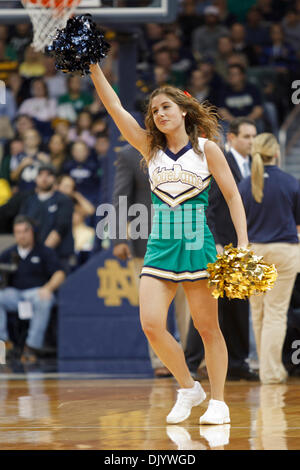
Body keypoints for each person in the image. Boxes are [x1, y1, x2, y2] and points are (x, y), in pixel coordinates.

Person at [89, 61, 249, 425]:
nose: (159, 113)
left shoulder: (208, 149)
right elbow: (114, 107)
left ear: (183, 110)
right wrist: (95, 68)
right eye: (154, 110)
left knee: (208, 329)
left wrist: (242, 241)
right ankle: (189, 387)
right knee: (151, 325)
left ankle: (219, 402)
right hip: (159, 245)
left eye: (165, 107)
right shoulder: (149, 148)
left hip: (198, 244)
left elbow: (234, 197)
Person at [185, 117, 258, 381]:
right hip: (221, 243)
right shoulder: (219, 161)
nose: (251, 141)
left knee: (238, 302)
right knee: (210, 304)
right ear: (232, 138)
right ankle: (191, 361)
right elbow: (210, 207)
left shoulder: (253, 166)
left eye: (254, 136)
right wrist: (215, 241)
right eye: (247, 136)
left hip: (241, 242)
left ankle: (238, 363)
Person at [112, 144, 191, 378]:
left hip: (185, 237)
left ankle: (191, 359)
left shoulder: (185, 149)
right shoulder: (128, 153)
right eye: (155, 112)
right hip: (146, 241)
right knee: (154, 307)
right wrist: (118, 238)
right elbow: (120, 197)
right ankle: (161, 360)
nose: (161, 116)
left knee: (187, 305)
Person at [238, 133, 300, 384]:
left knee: (258, 312)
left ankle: (266, 369)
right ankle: (271, 372)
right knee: (275, 313)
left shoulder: (244, 184)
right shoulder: (290, 182)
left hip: (253, 251)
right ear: (276, 153)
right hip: (284, 250)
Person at [0, 215, 65, 363]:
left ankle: (31, 347)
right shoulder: (8, 253)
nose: (22, 235)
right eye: (18, 232)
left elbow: (60, 273)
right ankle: (4, 344)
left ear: (32, 232)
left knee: (44, 299)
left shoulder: (44, 251)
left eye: (25, 231)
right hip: (15, 294)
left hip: (36, 292)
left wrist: (48, 288)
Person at [19, 164, 74, 271]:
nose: (44, 178)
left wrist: (42, 253)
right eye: (40, 175)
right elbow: (22, 226)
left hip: (58, 256)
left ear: (54, 179)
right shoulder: (29, 201)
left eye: (48, 175)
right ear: (36, 178)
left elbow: (60, 229)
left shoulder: (63, 200)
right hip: (33, 255)